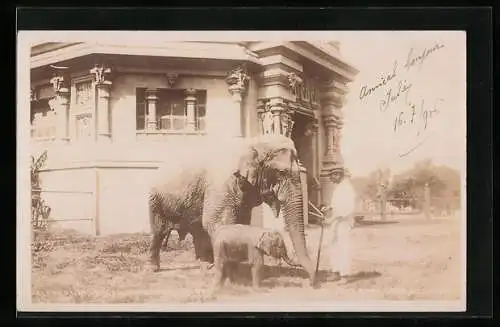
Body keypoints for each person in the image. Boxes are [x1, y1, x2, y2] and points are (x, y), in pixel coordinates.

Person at [321, 168, 356, 281]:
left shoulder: (347, 188)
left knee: (343, 247)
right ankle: (336, 271)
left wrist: (331, 219)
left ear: (338, 175)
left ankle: (344, 276)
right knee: (333, 246)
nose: (330, 178)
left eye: (332, 175)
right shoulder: (338, 188)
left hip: (344, 222)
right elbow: (336, 205)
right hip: (336, 221)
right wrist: (328, 208)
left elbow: (346, 209)